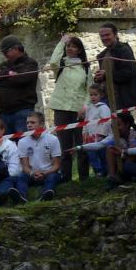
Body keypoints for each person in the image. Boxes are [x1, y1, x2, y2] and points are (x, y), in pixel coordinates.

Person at [45, 35, 91, 181]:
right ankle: (66, 178)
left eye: (73, 46)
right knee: (64, 146)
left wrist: (85, 106)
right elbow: (52, 61)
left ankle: (84, 177)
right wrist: (61, 43)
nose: (70, 49)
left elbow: (89, 89)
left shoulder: (86, 67)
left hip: (78, 110)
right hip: (61, 109)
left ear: (79, 49)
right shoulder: (61, 64)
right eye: (68, 46)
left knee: (81, 145)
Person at [0, 36, 40, 137]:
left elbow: (22, 79)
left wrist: (3, 78)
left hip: (22, 111)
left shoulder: (30, 63)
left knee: (23, 142)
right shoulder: (5, 65)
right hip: (5, 113)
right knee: (6, 145)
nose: (4, 55)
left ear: (16, 48)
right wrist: (9, 73)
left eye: (6, 52)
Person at [93, 23, 136, 110]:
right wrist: (98, 78)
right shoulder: (102, 55)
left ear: (115, 34)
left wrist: (106, 74)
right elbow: (105, 79)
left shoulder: (124, 50)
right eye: (102, 36)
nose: (104, 38)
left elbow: (129, 72)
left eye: (107, 35)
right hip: (111, 100)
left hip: (127, 100)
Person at [16, 111, 63, 201]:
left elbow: (56, 165)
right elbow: (24, 166)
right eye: (27, 123)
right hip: (31, 174)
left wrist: (44, 173)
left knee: (53, 177)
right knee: (21, 177)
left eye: (32, 122)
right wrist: (33, 173)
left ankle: (45, 195)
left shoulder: (53, 139)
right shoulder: (22, 142)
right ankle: (21, 197)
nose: (29, 125)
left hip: (48, 173)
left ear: (41, 124)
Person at [80, 84, 115, 177]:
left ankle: (106, 171)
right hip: (90, 137)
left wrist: (102, 134)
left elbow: (107, 122)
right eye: (91, 95)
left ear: (101, 95)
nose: (93, 97)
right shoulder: (89, 108)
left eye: (96, 94)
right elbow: (86, 122)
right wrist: (84, 133)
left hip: (101, 137)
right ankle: (98, 171)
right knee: (92, 155)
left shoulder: (103, 107)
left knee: (102, 155)